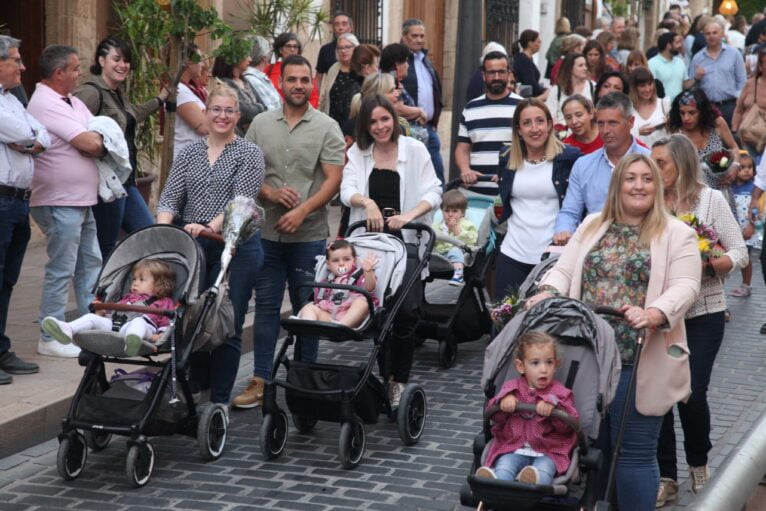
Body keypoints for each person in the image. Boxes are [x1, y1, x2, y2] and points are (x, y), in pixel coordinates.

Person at [526, 153, 702, 511]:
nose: (639, 186)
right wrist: (546, 291)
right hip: (585, 354)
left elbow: (686, 286)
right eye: (630, 178)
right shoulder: (593, 224)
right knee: (593, 447)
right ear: (617, 185)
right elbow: (564, 269)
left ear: (658, 185)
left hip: (637, 356)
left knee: (634, 452)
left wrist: (654, 312)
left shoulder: (677, 233)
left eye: (647, 179)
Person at [236, 55, 345, 409]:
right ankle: (261, 380)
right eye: (291, 79)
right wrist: (267, 192)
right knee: (266, 308)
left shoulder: (326, 126)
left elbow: (333, 180)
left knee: (308, 309)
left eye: (304, 80)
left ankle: (304, 379)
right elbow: (249, 172)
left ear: (311, 84)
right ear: (280, 83)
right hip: (264, 233)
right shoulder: (260, 125)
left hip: (308, 234)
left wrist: (301, 211)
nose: (298, 85)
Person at [651, 134, 747, 505]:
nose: (655, 171)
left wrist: (716, 263)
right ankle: (666, 476)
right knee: (658, 395)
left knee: (692, 393)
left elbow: (738, 251)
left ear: (682, 164)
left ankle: (698, 462)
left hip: (703, 312)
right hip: (661, 312)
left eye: (662, 163)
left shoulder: (709, 200)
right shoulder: (652, 202)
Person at [157, 83, 265, 405]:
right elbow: (170, 197)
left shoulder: (249, 153)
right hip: (195, 245)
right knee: (192, 318)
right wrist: (164, 233)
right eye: (215, 109)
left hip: (236, 245)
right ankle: (195, 388)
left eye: (229, 110)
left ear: (238, 115)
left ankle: (217, 400)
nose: (222, 116)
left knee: (226, 322)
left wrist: (208, 227)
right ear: (205, 112)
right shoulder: (190, 152)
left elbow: (240, 201)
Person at [341, 94, 442, 407]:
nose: (380, 126)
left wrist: (408, 216)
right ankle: (384, 377)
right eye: (373, 122)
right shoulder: (359, 152)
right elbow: (347, 190)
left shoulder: (414, 150)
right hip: (371, 245)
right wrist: (367, 202)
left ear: (395, 120)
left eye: (385, 119)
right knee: (378, 310)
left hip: (407, 241)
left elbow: (434, 190)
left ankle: (399, 379)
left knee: (407, 311)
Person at [28, 45, 106, 358]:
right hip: (59, 200)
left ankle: (86, 329)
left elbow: (101, 132)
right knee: (62, 268)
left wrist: (97, 142)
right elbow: (90, 140)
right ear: (59, 73)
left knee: (91, 263)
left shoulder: (71, 101)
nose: (79, 74)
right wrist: (95, 143)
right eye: (75, 69)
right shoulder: (45, 103)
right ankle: (50, 335)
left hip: (80, 200)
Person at [74, 36, 166, 259]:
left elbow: (132, 115)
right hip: (105, 184)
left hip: (125, 182)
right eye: (116, 59)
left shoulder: (117, 92)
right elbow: (72, 130)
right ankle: (98, 293)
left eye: (126, 61)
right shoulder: (91, 92)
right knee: (105, 247)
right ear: (101, 60)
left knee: (149, 235)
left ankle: (125, 290)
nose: (122, 65)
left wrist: (160, 99)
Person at [496, 99, 581, 294]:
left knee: (547, 322)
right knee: (505, 320)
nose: (534, 129)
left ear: (550, 124)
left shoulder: (570, 157)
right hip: (512, 254)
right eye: (527, 123)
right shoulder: (506, 157)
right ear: (518, 129)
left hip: (554, 258)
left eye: (540, 121)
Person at [0, 35, 46, 382]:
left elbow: (41, 135)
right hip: (1, 201)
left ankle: (0, 350)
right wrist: (30, 138)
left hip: (18, 201)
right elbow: (22, 132)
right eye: (16, 59)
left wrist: (29, 140)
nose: (23, 66)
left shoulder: (12, 99)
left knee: (7, 281)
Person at [476, 332, 577, 485]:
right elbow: (495, 418)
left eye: (548, 362)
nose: (543, 369)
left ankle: (531, 482)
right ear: (521, 366)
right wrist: (503, 404)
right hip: (513, 448)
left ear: (556, 365)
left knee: (543, 470)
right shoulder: (511, 388)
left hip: (548, 451)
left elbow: (569, 427)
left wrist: (555, 410)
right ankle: (495, 483)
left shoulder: (561, 394)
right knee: (505, 465)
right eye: (535, 363)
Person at [553, 92, 651, 245]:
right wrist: (563, 230)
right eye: (600, 123)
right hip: (595, 249)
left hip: (644, 246)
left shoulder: (651, 161)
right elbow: (570, 212)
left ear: (630, 122)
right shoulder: (583, 165)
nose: (605, 131)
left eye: (612, 123)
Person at [41, 259, 176, 357]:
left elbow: (166, 320)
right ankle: (67, 329)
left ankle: (133, 342)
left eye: (141, 280)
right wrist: (103, 312)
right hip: (117, 326)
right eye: (134, 279)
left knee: (138, 322)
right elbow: (116, 312)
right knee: (91, 317)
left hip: (145, 330)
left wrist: (161, 334)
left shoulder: (163, 302)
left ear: (159, 285)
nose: (135, 283)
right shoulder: (128, 297)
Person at [455, 51, 521, 195]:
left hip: (512, 192)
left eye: (501, 72)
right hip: (476, 191)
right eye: (491, 73)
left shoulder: (522, 107)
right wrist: (465, 170)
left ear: (509, 74)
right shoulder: (470, 108)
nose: (496, 77)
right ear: (484, 76)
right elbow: (462, 148)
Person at [667, 89, 741, 192]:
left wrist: (735, 166)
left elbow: (733, 147)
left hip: (721, 190)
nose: (686, 118)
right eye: (682, 113)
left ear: (702, 112)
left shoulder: (717, 123)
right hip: (691, 193)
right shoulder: (676, 131)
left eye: (692, 113)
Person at [401, 18, 445, 182]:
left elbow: (435, 90)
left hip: (428, 126)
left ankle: (441, 205)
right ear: (404, 36)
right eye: (415, 36)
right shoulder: (400, 61)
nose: (419, 40)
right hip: (409, 127)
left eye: (422, 36)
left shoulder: (425, 59)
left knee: (436, 171)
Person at [297, 239, 378, 328]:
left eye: (346, 259)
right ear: (328, 265)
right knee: (309, 307)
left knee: (362, 302)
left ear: (354, 261)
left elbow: (369, 288)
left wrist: (368, 272)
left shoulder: (359, 277)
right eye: (335, 260)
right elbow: (318, 302)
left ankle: (342, 326)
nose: (341, 264)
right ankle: (309, 323)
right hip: (330, 317)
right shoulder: (325, 283)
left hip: (352, 316)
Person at [685, 19, 747, 127]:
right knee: (709, 141)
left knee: (728, 140)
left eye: (715, 32)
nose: (711, 36)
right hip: (706, 107)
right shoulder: (698, 58)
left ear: (722, 34)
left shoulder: (734, 54)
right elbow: (690, 86)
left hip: (729, 106)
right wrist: (697, 78)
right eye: (708, 34)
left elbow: (742, 81)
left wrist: (738, 103)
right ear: (704, 36)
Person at [211, 53, 265, 136]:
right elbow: (245, 112)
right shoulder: (224, 83)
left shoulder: (245, 81)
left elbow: (264, 106)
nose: (250, 59)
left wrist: (257, 108)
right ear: (234, 58)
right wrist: (258, 107)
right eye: (246, 55)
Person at [432, 190, 478, 285]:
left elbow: (472, 239)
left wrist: (456, 229)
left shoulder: (467, 224)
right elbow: (431, 239)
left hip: (460, 252)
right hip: (440, 254)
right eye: (447, 210)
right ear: (442, 211)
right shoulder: (437, 225)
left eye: (455, 211)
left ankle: (459, 274)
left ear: (462, 213)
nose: (450, 214)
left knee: (455, 251)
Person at [729, 152, 757, 298]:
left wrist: (752, 227)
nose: (747, 170)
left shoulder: (754, 188)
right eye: (742, 167)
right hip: (733, 229)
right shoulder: (729, 187)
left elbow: (757, 210)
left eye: (750, 167)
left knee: (745, 258)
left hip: (746, 230)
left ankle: (746, 285)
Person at [379, 42, 427, 125]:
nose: (408, 66)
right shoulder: (390, 83)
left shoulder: (393, 81)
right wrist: (419, 112)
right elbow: (398, 109)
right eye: (406, 61)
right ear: (397, 65)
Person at [174, 44, 208, 160]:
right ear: (188, 62)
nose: (202, 65)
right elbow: (204, 127)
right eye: (199, 60)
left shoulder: (192, 89)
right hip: (187, 158)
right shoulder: (179, 90)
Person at [317, 33, 360, 125]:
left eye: (347, 47)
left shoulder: (361, 69)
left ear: (356, 48)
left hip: (355, 124)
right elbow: (325, 96)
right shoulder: (334, 69)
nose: (343, 51)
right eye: (340, 48)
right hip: (332, 123)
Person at [268, 33, 319, 109]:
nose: (292, 50)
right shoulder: (270, 68)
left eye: (295, 47)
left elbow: (313, 97)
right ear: (280, 50)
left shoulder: (304, 68)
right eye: (288, 46)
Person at [732, 48, 766, 157]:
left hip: (764, 139)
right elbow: (738, 110)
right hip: (747, 137)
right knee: (748, 170)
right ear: (760, 66)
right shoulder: (750, 84)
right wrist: (734, 131)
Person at [546, 53, 595, 126]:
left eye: (585, 65)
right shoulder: (557, 90)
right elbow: (550, 115)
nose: (585, 68)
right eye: (580, 65)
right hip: (563, 132)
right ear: (570, 69)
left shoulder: (592, 86)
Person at [628, 67, 670, 147]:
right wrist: (638, 132)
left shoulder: (664, 104)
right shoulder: (628, 110)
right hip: (638, 156)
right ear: (634, 88)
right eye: (642, 86)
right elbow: (622, 137)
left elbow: (676, 134)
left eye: (650, 84)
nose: (647, 89)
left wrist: (670, 125)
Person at [316, 11, 353, 94]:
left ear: (351, 28)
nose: (340, 27)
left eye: (344, 24)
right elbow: (319, 77)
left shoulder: (359, 48)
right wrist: (315, 99)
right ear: (333, 28)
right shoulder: (325, 50)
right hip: (332, 96)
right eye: (337, 24)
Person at [242, 35, 282, 112]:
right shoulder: (252, 79)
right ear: (264, 57)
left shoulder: (259, 78)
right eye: (269, 52)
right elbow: (269, 111)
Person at [649, 32, 687, 103]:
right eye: (677, 42)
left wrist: (696, 78)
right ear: (669, 45)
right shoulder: (652, 63)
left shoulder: (680, 61)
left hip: (678, 106)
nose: (680, 45)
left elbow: (684, 84)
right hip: (661, 105)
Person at [512, 29, 548, 101]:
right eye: (538, 41)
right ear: (530, 43)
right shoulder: (524, 61)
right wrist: (544, 90)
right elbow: (530, 84)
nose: (540, 44)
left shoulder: (526, 59)